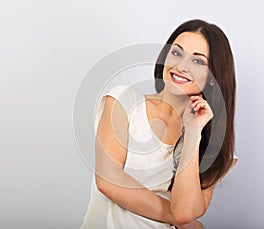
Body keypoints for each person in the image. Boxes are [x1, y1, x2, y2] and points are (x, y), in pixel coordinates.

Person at [80, 19, 238, 229]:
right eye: (176, 53)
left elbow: (185, 211)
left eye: (198, 61)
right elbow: (108, 181)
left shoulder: (210, 142)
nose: (181, 66)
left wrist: (192, 134)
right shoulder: (123, 101)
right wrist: (179, 219)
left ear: (212, 77)